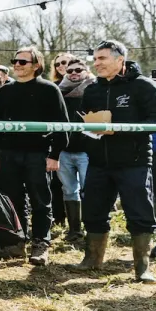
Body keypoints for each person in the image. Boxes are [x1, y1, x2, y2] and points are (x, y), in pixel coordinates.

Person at [75, 40, 156, 280]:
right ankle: (92, 260)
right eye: (95, 59)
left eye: (102, 58)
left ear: (120, 59)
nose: (96, 63)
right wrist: (90, 131)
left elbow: (154, 120)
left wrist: (118, 130)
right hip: (98, 162)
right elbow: (83, 120)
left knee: (140, 213)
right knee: (93, 211)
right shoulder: (92, 89)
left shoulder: (144, 86)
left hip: (134, 161)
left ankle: (142, 267)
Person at [0, 46, 68, 266]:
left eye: (22, 62)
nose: (17, 65)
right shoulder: (5, 91)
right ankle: (17, 242)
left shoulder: (49, 89)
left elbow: (62, 124)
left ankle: (41, 243)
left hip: (38, 153)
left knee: (40, 200)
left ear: (36, 65)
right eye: (15, 61)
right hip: (8, 153)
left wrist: (55, 154)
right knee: (12, 199)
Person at [56, 58, 95, 245]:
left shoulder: (94, 89)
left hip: (87, 150)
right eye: (70, 70)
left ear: (86, 71)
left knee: (91, 190)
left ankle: (93, 230)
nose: (73, 73)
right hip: (64, 150)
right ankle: (74, 231)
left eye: (78, 70)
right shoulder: (59, 91)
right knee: (69, 190)